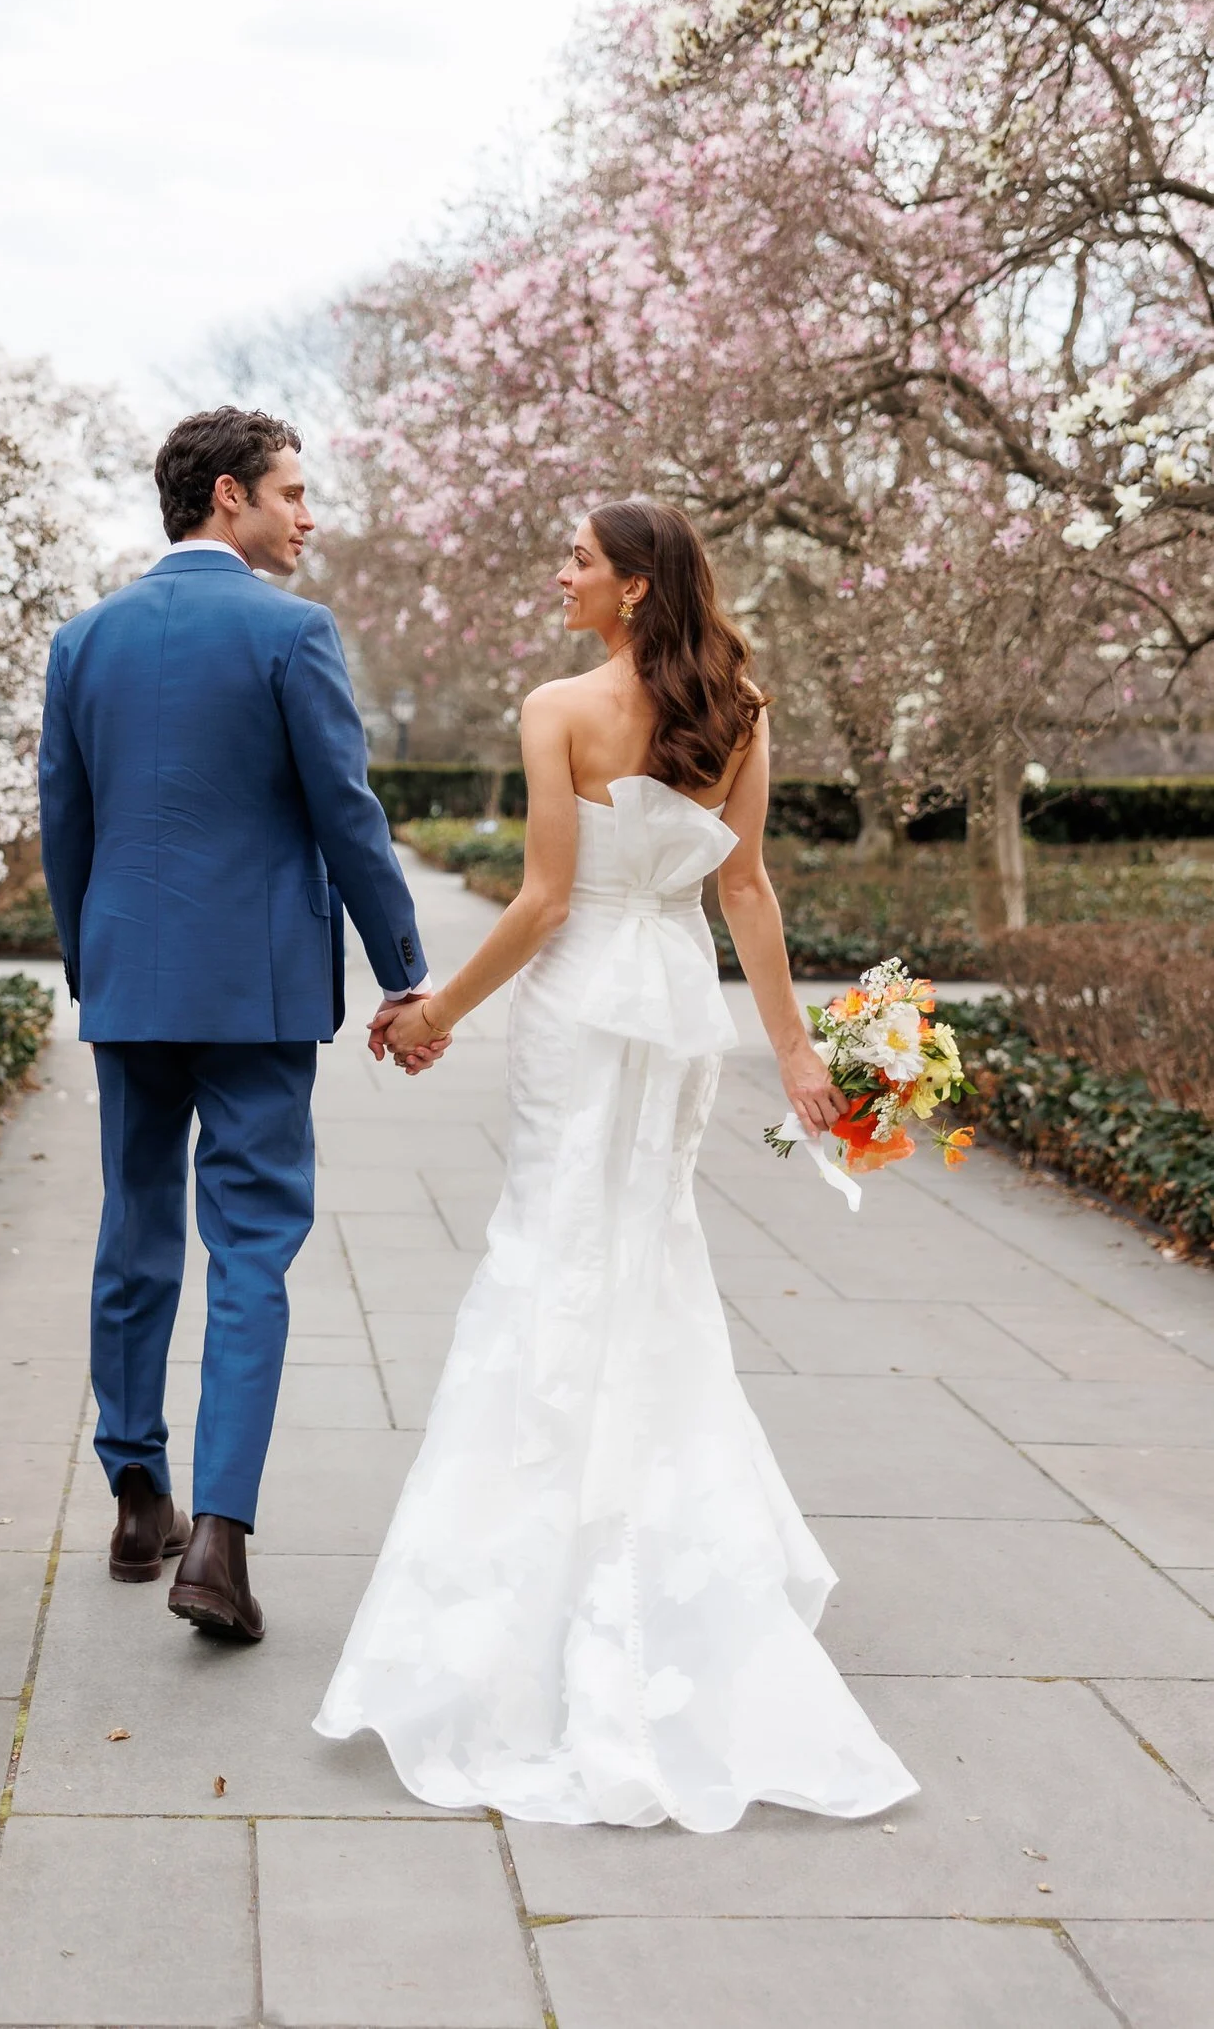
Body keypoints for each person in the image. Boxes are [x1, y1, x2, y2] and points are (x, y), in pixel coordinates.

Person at [315, 499, 918, 1828]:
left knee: (551, 1256)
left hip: (582, 1006)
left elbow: (538, 902)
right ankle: (658, 1549)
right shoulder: (738, 710)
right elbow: (742, 889)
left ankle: (527, 1583)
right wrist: (797, 1056)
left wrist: (430, 1016)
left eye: (577, 557)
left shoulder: (557, 709)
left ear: (635, 586)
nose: (559, 570)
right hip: (675, 1013)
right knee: (643, 1259)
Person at [38, 407, 442, 1645]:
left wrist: (91, 962)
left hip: (131, 987)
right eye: (292, 493)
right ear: (228, 497)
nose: (308, 517)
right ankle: (217, 1539)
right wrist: (405, 971)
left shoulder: (82, 641)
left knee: (135, 1224)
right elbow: (346, 817)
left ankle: (132, 1493)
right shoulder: (290, 632)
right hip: (258, 993)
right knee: (252, 1248)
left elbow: (66, 825)